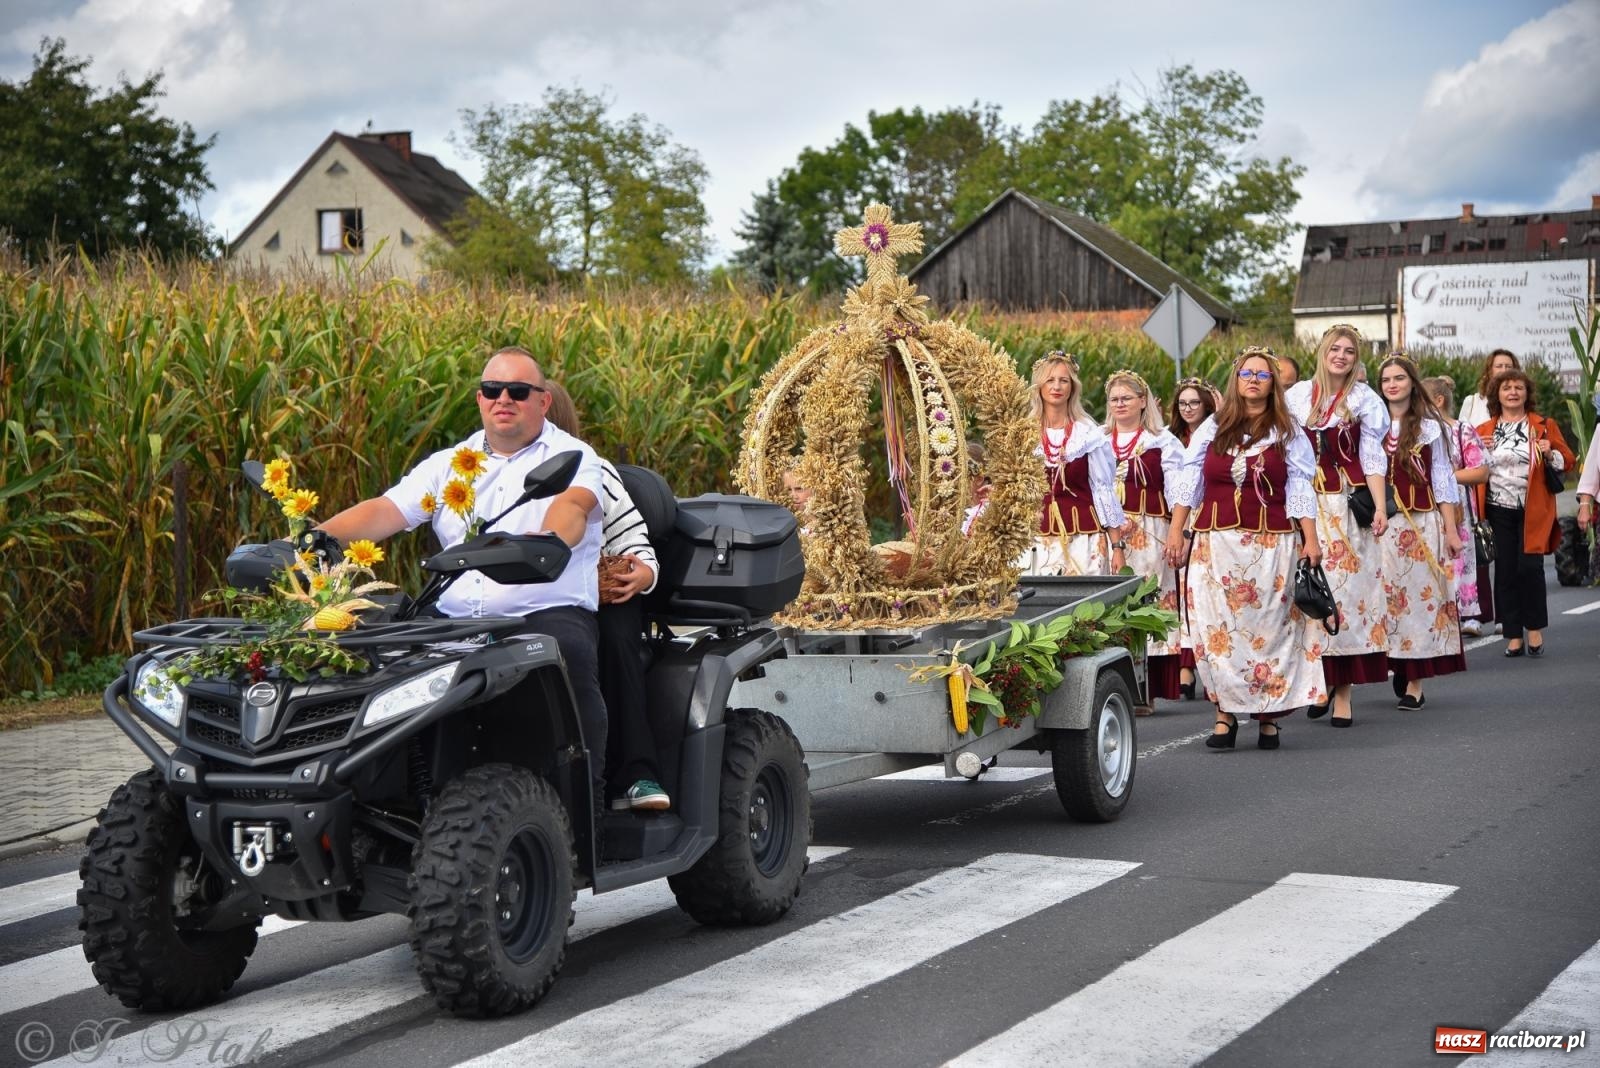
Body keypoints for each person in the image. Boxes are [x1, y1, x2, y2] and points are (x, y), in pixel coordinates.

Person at [315, 347, 611, 794]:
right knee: (376, 664)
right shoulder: (450, 463)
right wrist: (312, 540)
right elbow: (386, 510)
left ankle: (580, 810)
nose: (504, 399)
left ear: (544, 401)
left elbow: (572, 506)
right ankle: (395, 808)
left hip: (541, 609)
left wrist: (548, 542)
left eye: (518, 391)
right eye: (493, 390)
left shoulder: (574, 456)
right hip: (452, 617)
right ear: (479, 399)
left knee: (564, 654)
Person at [1163, 346, 1327, 751]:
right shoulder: (1213, 428)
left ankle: (1269, 717)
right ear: (1236, 381)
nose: (1253, 379)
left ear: (1273, 384)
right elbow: (1190, 481)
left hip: (1270, 543)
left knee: (1268, 630)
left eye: (1262, 374)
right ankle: (1224, 716)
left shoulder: (1287, 431)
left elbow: (1299, 486)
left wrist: (1311, 538)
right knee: (1218, 630)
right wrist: (1176, 530)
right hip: (1215, 545)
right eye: (1246, 373)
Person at [543, 382, 670, 812]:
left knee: (616, 636)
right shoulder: (491, 475)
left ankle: (635, 773)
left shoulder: (593, 470)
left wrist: (643, 573)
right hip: (530, 600)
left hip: (596, 595)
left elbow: (634, 539)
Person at [1284, 324, 1390, 728]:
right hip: (1305, 506)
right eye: (1335, 348)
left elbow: (1372, 457)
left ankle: (1343, 691)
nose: (1341, 356)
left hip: (1345, 509)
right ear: (1324, 351)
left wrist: (1380, 506)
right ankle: (1320, 681)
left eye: (1349, 351)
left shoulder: (1364, 399)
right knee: (1308, 595)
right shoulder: (1296, 397)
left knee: (1345, 596)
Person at [1377, 356, 1465, 708]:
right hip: (1382, 526)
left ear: (1412, 382)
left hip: (1421, 522)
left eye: (1400, 378)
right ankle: (1396, 661)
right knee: (1385, 600)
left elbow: (1442, 479)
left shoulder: (1430, 427)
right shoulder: (1372, 424)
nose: (1393, 384)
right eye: (1386, 379)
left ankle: (1415, 679)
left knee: (1418, 601)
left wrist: (1451, 529)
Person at [1473, 367, 1576, 657]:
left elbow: (1567, 460)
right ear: (1498, 395)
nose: (1513, 392)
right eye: (1507, 388)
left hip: (1533, 506)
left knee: (1530, 568)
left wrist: (1549, 451)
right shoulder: (1484, 430)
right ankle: (1512, 635)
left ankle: (1534, 630)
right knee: (1505, 571)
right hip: (1497, 508)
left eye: (1519, 387)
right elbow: (1465, 462)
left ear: (1527, 393)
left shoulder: (1543, 425)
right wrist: (1478, 449)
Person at [1102, 370, 1182, 709]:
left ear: (1142, 402)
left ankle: (1146, 687)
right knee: (1113, 604)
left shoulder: (1161, 441)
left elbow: (1179, 489)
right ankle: (1119, 683)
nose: (1120, 404)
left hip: (1149, 529)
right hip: (1109, 530)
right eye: (1115, 399)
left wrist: (1177, 531)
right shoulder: (1097, 439)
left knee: (1146, 601)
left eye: (1127, 398)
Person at [1021, 351, 1130, 576]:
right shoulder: (1024, 433)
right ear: (1039, 386)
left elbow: (1103, 490)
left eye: (1064, 380)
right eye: (1050, 380)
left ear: (1073, 387)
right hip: (1036, 540)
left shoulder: (1088, 433)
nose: (1057, 386)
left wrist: (1117, 547)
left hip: (1084, 539)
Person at [1424, 375, 1492, 635]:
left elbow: (1480, 472)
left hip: (1457, 505)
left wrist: (1443, 476)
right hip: (1422, 507)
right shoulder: (1413, 432)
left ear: (1438, 400)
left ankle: (1467, 613)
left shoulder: (1460, 430)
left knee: (1460, 559)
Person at [1166, 377, 1218, 700]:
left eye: (1194, 403)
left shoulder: (1215, 434)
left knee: (1198, 591)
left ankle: (1196, 664)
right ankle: (1185, 667)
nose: (1188, 409)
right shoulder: (1173, 439)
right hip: (1180, 514)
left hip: (1206, 514)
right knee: (1182, 590)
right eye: (1183, 404)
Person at [1458, 349, 1519, 431]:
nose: (1504, 370)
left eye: (1508, 366)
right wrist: (1478, 440)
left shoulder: (1519, 403)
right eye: (1499, 366)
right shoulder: (1472, 402)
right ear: (1490, 371)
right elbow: (1459, 438)